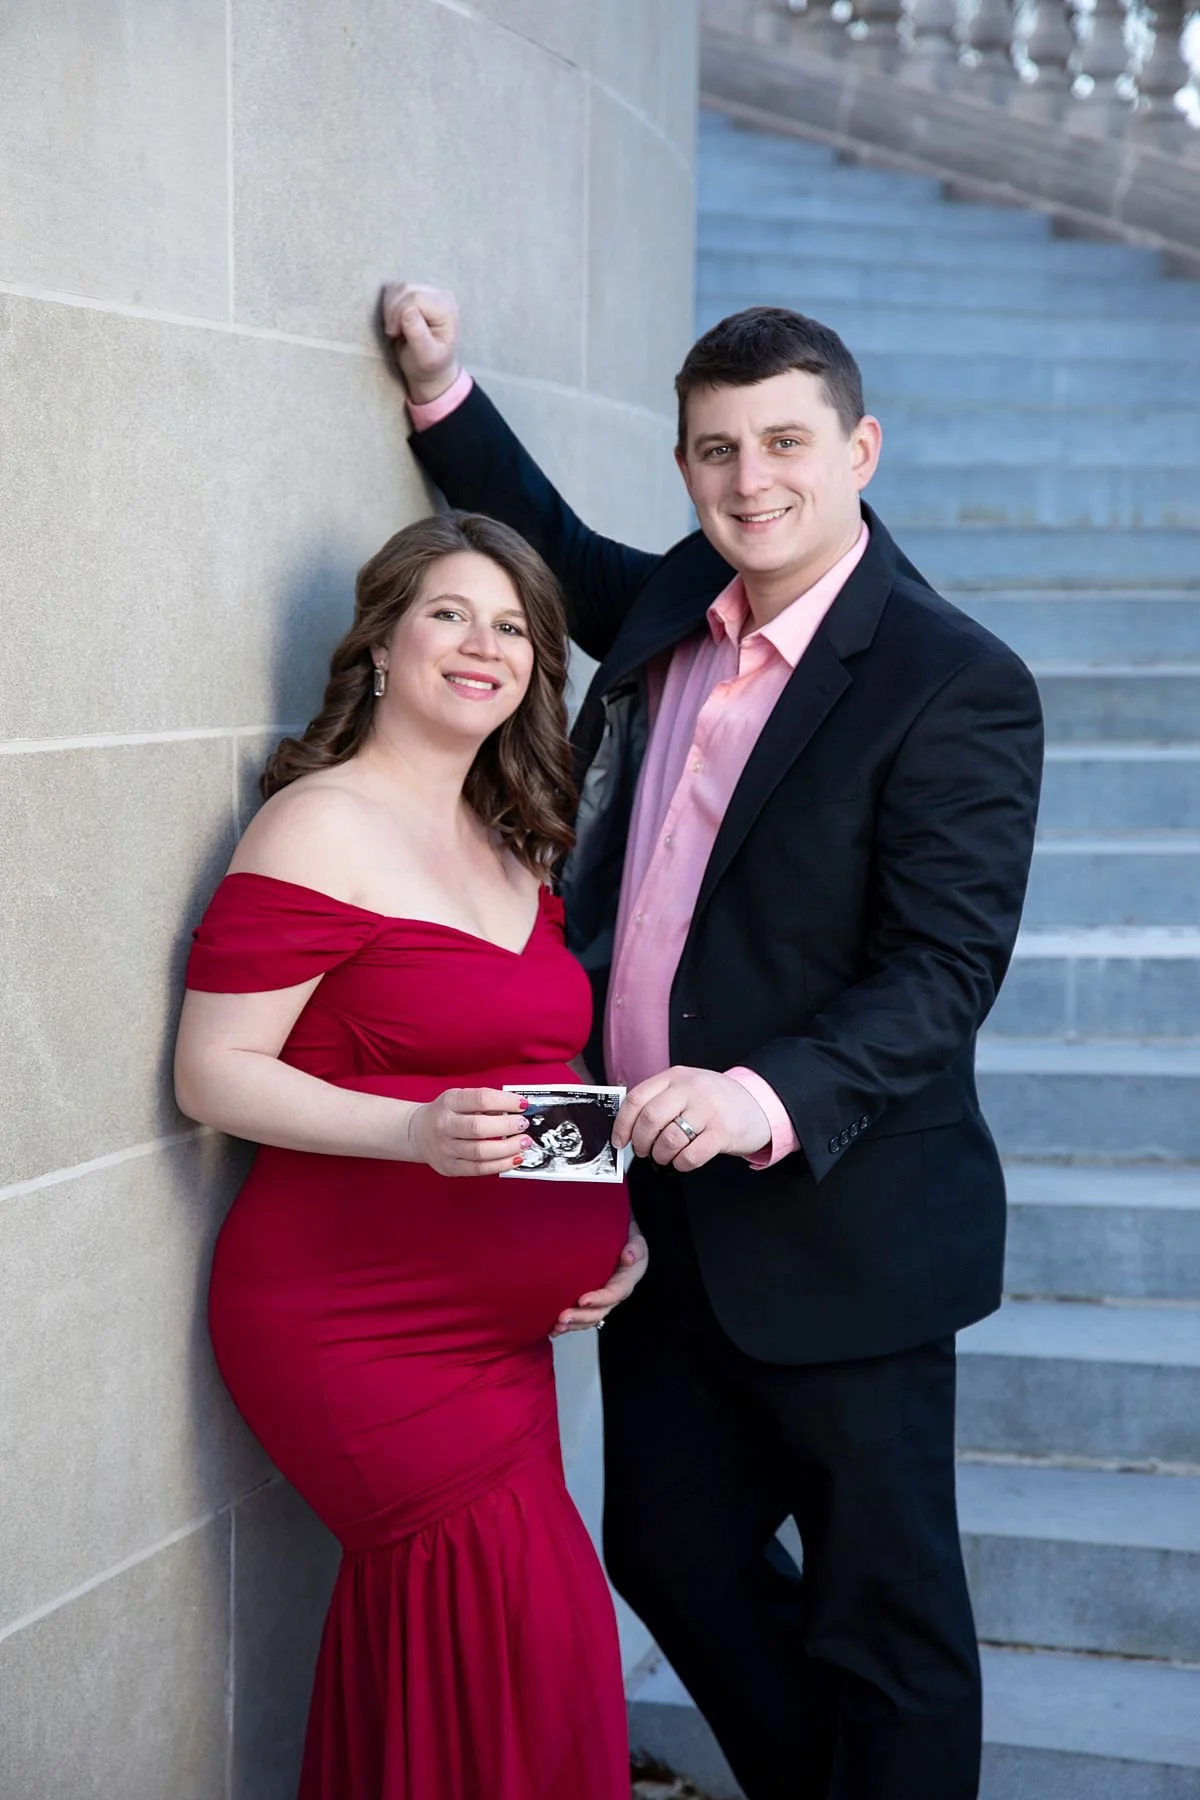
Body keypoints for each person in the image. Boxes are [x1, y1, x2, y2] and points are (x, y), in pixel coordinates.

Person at [381, 284, 1044, 1800]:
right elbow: (555, 554)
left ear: (859, 450)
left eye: (786, 443)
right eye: (718, 449)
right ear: (686, 463)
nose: (753, 481)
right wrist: (439, 386)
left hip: (845, 1221)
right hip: (657, 1206)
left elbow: (944, 971)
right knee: (672, 1550)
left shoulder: (955, 682)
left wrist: (762, 1094)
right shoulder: (687, 593)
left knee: (888, 1621)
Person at [174, 511, 646, 1800]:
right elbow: (213, 1071)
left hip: (502, 1348)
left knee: (497, 1656)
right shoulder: (316, 825)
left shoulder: (512, 844)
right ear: (383, 644)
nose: (484, 645)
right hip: (361, 1330)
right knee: (506, 1639)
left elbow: (537, 1071)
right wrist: (410, 1130)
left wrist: (616, 1219)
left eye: (513, 628)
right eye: (450, 613)